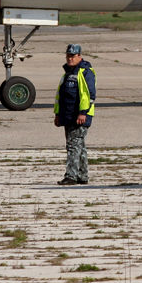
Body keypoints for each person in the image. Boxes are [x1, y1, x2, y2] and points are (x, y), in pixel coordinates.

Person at [53, 43, 96, 185]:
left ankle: (71, 176)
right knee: (79, 146)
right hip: (68, 115)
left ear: (79, 56)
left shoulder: (85, 72)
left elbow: (88, 95)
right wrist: (58, 114)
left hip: (80, 116)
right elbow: (61, 96)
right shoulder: (67, 73)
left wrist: (83, 113)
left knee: (73, 146)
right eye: (68, 56)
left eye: (73, 56)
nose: (70, 58)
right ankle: (82, 175)